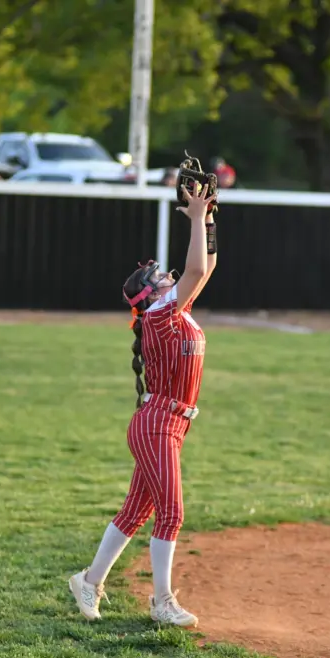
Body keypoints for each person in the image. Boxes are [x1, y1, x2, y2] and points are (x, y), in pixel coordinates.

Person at [68, 178, 218, 629]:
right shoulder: (158, 315)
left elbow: (205, 266)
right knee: (172, 512)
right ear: (150, 295)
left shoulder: (172, 311)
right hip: (157, 424)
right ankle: (162, 602)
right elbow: (195, 270)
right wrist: (196, 219)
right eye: (161, 279)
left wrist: (208, 220)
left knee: (137, 510)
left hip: (169, 424)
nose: (169, 277)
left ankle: (88, 581)